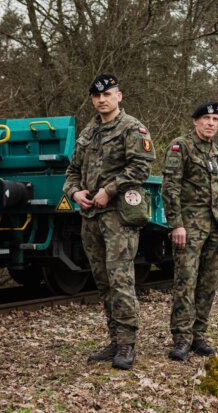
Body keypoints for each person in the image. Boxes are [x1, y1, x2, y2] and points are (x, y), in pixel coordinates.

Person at [63, 74, 156, 370]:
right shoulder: (87, 133)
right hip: (91, 217)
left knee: (120, 280)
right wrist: (75, 192)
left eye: (108, 94)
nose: (102, 100)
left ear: (120, 96)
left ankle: (127, 344)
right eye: (96, 96)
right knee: (103, 282)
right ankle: (115, 340)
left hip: (119, 216)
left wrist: (109, 190)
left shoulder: (132, 128)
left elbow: (141, 167)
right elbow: (72, 171)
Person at [161, 101, 218, 361]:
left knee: (208, 284)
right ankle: (181, 339)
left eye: (215, 120)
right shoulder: (180, 146)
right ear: (195, 121)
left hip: (215, 229)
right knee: (185, 282)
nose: (210, 123)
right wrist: (176, 224)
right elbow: (170, 187)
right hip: (189, 227)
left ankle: (198, 336)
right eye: (206, 118)